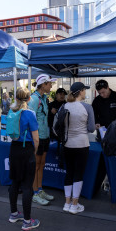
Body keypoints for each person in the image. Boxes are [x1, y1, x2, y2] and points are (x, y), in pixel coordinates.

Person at [7, 87, 40, 231]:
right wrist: (34, 151)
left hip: (14, 149)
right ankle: (27, 221)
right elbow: (36, 139)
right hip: (26, 150)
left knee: (14, 183)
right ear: (29, 99)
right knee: (27, 186)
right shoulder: (30, 113)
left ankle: (14, 214)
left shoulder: (11, 111)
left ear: (16, 98)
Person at [59, 82, 95, 214]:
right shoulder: (87, 107)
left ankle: (67, 203)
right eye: (84, 90)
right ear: (80, 92)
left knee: (69, 172)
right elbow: (91, 128)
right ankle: (74, 205)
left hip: (67, 144)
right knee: (78, 174)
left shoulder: (64, 106)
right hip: (81, 144)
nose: (85, 92)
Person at [28, 74, 56, 206]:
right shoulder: (34, 99)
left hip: (45, 136)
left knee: (42, 164)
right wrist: (34, 139)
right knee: (36, 165)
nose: (51, 86)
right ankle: (34, 193)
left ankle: (39, 189)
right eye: (49, 84)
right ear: (43, 84)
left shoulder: (44, 98)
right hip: (37, 138)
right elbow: (29, 119)